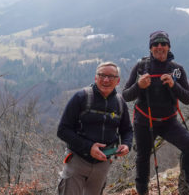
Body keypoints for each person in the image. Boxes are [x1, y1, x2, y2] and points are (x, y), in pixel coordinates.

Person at [122, 31, 189, 195]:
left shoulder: (176, 70)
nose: (159, 47)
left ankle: (186, 188)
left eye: (163, 43)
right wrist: (138, 86)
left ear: (169, 47)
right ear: (150, 48)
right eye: (155, 44)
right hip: (144, 122)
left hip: (169, 122)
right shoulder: (141, 68)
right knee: (143, 157)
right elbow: (126, 95)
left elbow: (188, 98)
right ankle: (143, 192)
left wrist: (173, 85)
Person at [57, 61, 133, 195]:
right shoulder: (81, 97)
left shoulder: (120, 103)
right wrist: (89, 147)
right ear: (95, 77)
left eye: (111, 77)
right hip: (77, 160)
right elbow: (63, 130)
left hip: (103, 163)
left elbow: (126, 130)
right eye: (102, 75)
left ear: (118, 81)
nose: (106, 79)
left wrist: (126, 145)